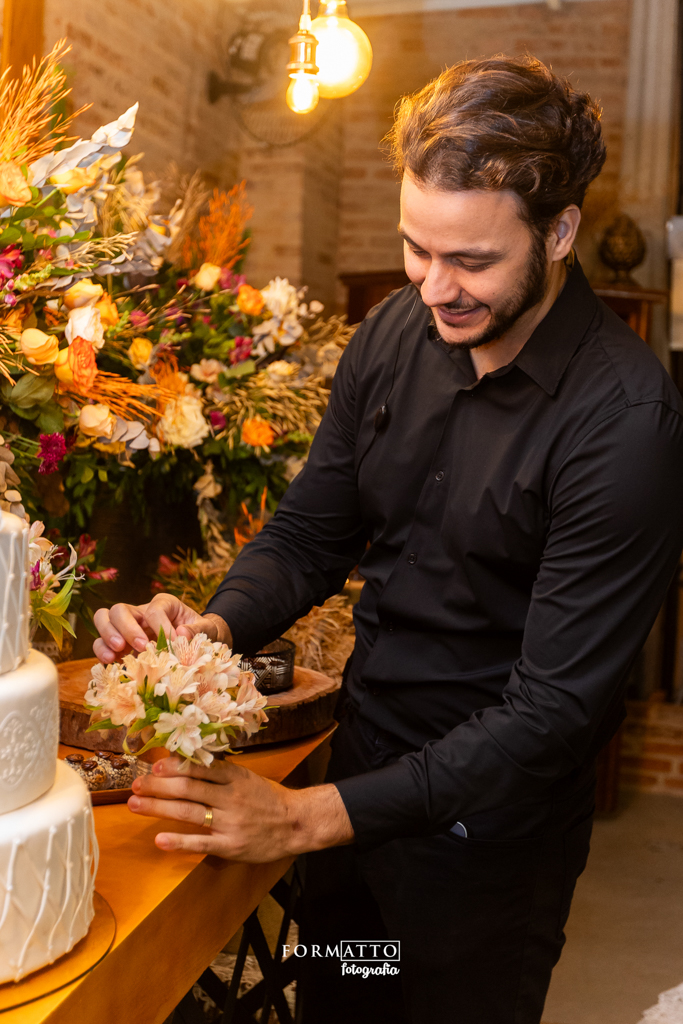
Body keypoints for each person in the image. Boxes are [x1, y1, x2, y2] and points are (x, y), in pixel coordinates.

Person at [93, 56, 683, 1024]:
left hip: (485, 841)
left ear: (559, 232)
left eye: (472, 261)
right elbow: (308, 533)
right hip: (357, 777)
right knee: (341, 993)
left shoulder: (624, 423)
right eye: (416, 248)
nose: (434, 287)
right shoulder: (392, 335)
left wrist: (299, 817)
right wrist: (210, 631)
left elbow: (551, 713)